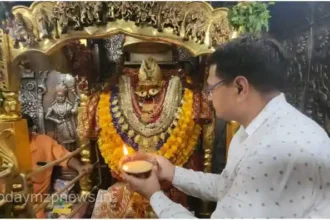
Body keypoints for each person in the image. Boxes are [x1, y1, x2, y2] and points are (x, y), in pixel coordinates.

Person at [121, 34, 330, 218]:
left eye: (211, 88)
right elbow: (228, 187)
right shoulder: (255, 127)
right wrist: (173, 173)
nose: (208, 98)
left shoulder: (277, 148)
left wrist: (154, 195)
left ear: (240, 87)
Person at [22, 114, 93, 218]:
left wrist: (80, 167)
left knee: (76, 211)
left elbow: (64, 156)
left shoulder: (43, 141)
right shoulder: (4, 146)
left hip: (39, 202)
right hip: (10, 200)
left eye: (22, 130)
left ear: (30, 129)